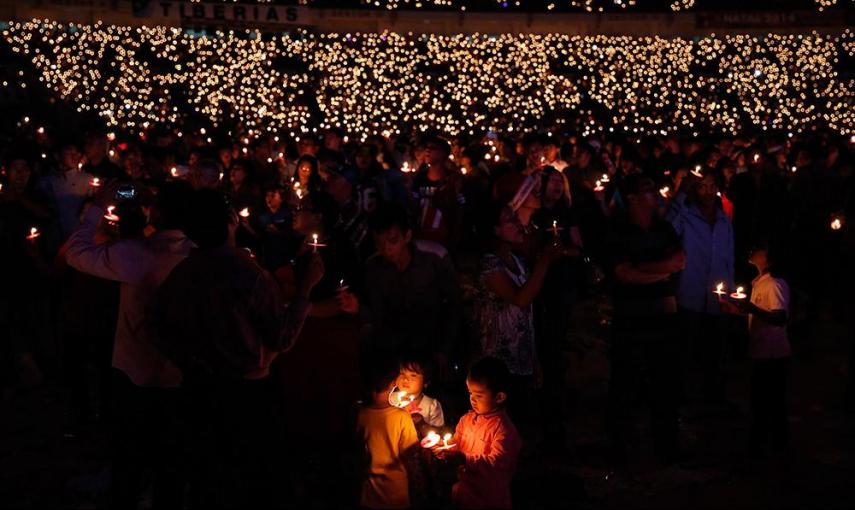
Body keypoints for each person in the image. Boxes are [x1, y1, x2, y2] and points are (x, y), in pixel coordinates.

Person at [150, 188, 324, 509]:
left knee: (209, 478)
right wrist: (306, 288)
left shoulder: (181, 274)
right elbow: (282, 337)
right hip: (247, 395)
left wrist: (190, 362)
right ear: (232, 220)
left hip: (197, 391)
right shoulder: (250, 276)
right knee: (253, 479)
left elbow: (157, 328)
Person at [64, 179, 195, 509]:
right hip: (182, 373)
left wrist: (97, 206)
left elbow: (76, 253)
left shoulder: (136, 253)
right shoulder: (197, 254)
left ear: (158, 212)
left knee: (129, 451)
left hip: (134, 370)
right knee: (172, 459)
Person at [604, 173, 686, 465]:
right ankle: (620, 447)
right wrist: (660, 270)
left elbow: (679, 262)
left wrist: (644, 268)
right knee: (625, 385)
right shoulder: (618, 230)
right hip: (631, 321)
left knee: (666, 385)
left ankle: (666, 445)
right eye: (648, 189)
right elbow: (623, 273)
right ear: (632, 199)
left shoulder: (663, 228)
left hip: (665, 319)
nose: (656, 194)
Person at [475, 205, 570, 419]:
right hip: (498, 358)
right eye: (510, 220)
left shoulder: (516, 260)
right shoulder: (489, 264)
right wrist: (544, 261)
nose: (519, 224)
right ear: (495, 230)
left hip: (521, 353)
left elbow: (528, 309)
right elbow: (520, 298)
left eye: (517, 218)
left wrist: (533, 356)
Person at [363, 204, 461, 380]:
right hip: (397, 353)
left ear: (406, 236)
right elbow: (377, 316)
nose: (386, 249)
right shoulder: (373, 267)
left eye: (392, 241)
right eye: (379, 243)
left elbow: (454, 305)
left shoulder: (434, 258)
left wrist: (445, 349)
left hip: (434, 348)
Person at [666, 169, 735, 404]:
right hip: (691, 292)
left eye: (711, 185)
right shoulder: (686, 215)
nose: (707, 191)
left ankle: (714, 395)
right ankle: (679, 396)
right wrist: (680, 197)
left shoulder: (724, 218)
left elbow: (729, 256)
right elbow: (668, 230)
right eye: (702, 186)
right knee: (685, 348)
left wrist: (731, 290)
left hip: (718, 296)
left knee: (716, 350)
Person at [719, 242, 791, 458]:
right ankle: (768, 446)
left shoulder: (775, 284)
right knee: (762, 401)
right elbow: (761, 314)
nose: (753, 250)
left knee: (770, 403)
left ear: (768, 260)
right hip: (761, 352)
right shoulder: (759, 284)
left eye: (760, 249)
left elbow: (780, 317)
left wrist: (751, 308)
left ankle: (771, 448)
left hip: (773, 354)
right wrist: (735, 310)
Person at [433, 357, 522, 510]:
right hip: (465, 493)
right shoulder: (466, 420)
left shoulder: (504, 430)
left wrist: (465, 459)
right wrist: (445, 449)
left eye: (479, 395)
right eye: (470, 393)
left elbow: (497, 464)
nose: (472, 399)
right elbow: (457, 443)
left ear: (499, 397)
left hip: (489, 498)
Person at [356, 353, 421, 510]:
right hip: (395, 493)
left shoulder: (359, 414)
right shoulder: (402, 417)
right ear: (393, 383)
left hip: (367, 492)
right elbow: (411, 452)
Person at [393, 353, 446, 430]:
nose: (405, 379)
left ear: (426, 382)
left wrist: (422, 424)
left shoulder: (432, 405)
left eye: (413, 375)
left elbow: (439, 432)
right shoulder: (389, 399)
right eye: (402, 373)